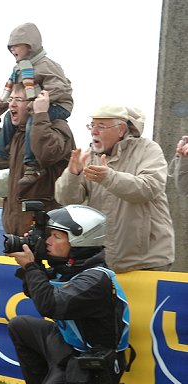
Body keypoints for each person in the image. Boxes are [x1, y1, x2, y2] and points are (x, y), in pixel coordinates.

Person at [7, 204, 141, 384]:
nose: (48, 241)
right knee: (21, 325)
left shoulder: (95, 280)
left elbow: (50, 306)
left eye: (56, 236)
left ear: (81, 240)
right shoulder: (71, 268)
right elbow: (36, 292)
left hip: (92, 362)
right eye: (48, 235)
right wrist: (35, 263)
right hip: (70, 347)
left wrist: (31, 268)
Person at [55, 105, 174, 273]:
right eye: (92, 125)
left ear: (121, 129)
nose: (94, 131)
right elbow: (67, 201)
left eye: (101, 126)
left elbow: (149, 187)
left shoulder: (148, 149)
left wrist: (109, 178)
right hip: (102, 263)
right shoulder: (89, 157)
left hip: (147, 262)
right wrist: (72, 175)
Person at [0, 22, 74, 187]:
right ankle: (1, 157)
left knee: (33, 120)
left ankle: (32, 166)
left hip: (58, 105)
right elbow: (12, 90)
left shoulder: (47, 65)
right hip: (34, 107)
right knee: (10, 118)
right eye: (10, 47)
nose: (12, 50)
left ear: (30, 45)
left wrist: (38, 105)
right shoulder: (20, 68)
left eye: (15, 46)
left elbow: (61, 88)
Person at [0, 84, 74, 236]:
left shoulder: (57, 128)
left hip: (46, 231)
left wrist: (40, 116)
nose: (12, 104)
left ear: (35, 103)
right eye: (10, 99)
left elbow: (46, 153)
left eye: (18, 99)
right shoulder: (16, 133)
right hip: (15, 227)